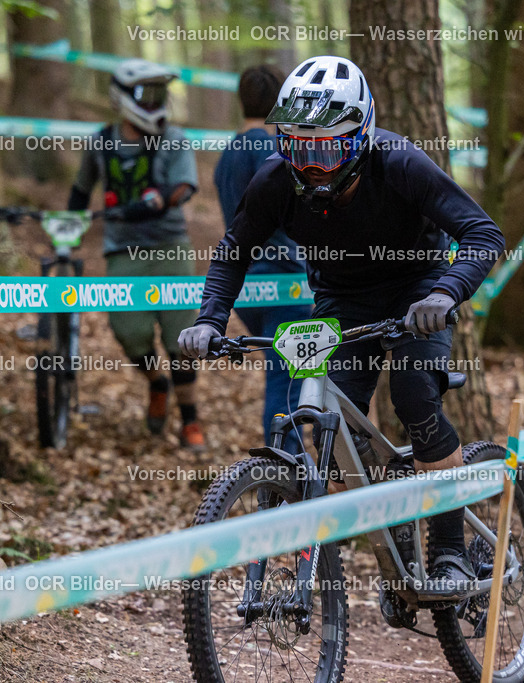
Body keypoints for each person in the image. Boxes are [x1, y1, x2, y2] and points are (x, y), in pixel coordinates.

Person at [180, 56, 505, 599]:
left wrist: (446, 292)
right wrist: (209, 318)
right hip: (341, 299)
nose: (312, 165)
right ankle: (388, 535)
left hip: (417, 293)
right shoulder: (274, 181)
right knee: (329, 420)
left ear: (360, 137)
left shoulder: (399, 162)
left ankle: (449, 548)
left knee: (413, 394)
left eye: (327, 148)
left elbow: (482, 233)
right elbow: (233, 251)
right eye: (298, 147)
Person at [68, 59, 206, 452]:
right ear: (122, 97)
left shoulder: (174, 139)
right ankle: (156, 384)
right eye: (147, 94)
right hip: (122, 252)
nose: (154, 103)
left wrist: (157, 201)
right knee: (129, 333)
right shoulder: (100, 142)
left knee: (182, 339)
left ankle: (191, 420)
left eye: (159, 94)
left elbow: (183, 187)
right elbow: (80, 192)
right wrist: (68, 228)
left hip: (171, 247)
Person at [214, 65, 311, 455]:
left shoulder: (228, 153)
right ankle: (288, 472)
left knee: (287, 378)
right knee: (285, 384)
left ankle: (292, 468)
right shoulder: (271, 151)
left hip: (245, 287)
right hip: (286, 283)